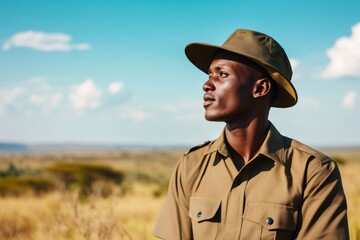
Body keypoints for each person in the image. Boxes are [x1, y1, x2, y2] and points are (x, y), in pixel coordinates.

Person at [153, 29, 349, 239]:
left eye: (223, 74)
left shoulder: (312, 171)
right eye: (210, 75)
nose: (207, 84)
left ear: (260, 88)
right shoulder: (191, 166)